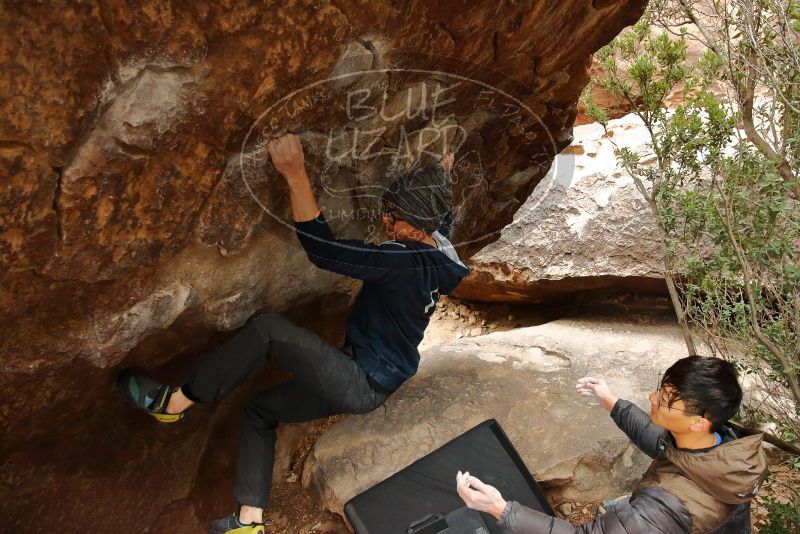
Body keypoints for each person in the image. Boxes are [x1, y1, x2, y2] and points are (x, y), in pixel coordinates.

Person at [117, 134, 469, 534]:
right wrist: (441, 175)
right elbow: (443, 218)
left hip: (358, 379)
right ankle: (249, 522)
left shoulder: (399, 261)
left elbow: (323, 251)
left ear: (416, 229)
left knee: (268, 331)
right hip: (368, 380)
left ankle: (174, 403)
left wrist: (295, 174)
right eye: (387, 211)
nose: (385, 222)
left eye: (394, 217)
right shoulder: (441, 254)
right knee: (260, 411)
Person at [456, 355, 769, 533]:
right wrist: (612, 402)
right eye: (660, 390)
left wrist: (500, 509)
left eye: (665, 400)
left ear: (699, 421)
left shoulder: (666, 509)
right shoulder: (721, 446)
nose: (652, 399)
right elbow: (660, 442)